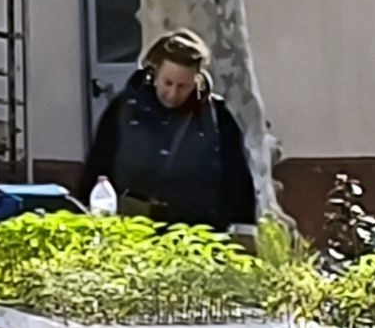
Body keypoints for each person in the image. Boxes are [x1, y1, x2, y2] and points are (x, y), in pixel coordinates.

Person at [80, 29, 256, 230]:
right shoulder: (123, 109)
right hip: (133, 231)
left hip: (197, 234)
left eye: (183, 86)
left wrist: (245, 231)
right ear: (154, 74)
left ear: (196, 81)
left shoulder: (218, 117)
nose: (172, 94)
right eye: (167, 83)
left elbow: (238, 181)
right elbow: (97, 166)